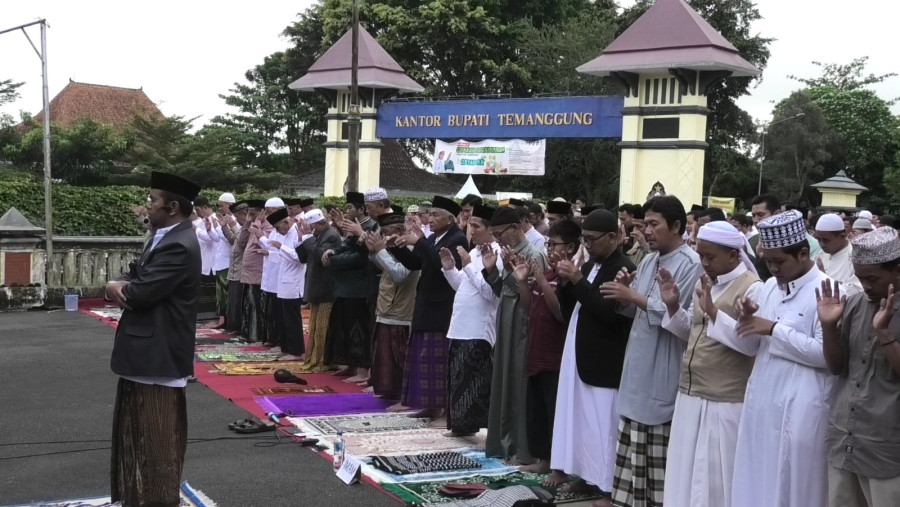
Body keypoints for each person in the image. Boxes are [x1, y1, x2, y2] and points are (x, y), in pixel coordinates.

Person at [707, 210, 831, 507]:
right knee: (757, 479)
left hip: (801, 409)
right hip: (762, 403)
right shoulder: (768, 289)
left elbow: (825, 356)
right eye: (768, 261)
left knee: (795, 486)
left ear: (803, 253)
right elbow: (751, 348)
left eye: (779, 261)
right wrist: (745, 320)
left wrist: (775, 329)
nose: (773, 268)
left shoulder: (828, 290)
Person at [599, 195, 703, 507]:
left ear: (677, 226)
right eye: (645, 225)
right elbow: (637, 312)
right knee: (631, 459)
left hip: (664, 367)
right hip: (638, 367)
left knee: (659, 470)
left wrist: (634, 296)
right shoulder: (648, 260)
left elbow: (678, 318)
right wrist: (623, 297)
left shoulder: (690, 264)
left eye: (654, 225)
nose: (647, 231)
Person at [106, 171, 201, 505]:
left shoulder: (179, 243)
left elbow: (142, 292)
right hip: (146, 351)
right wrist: (119, 284)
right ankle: (138, 496)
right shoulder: (163, 235)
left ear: (172, 206)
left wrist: (114, 288)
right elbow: (134, 273)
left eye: (152, 200)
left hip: (157, 352)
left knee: (157, 438)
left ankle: (158, 500)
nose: (147, 206)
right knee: (136, 434)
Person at [659, 221, 762, 507]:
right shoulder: (704, 283)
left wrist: (714, 311)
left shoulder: (753, 289)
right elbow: (691, 332)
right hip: (690, 395)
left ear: (733, 255)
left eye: (710, 256)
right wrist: (671, 306)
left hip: (725, 402)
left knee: (716, 481)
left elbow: (750, 345)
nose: (704, 262)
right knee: (685, 473)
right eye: (700, 255)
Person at [549, 210, 635, 502]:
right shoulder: (590, 265)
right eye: (584, 240)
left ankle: (608, 487)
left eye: (591, 240)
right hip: (579, 352)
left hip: (604, 357)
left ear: (612, 237)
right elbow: (572, 304)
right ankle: (586, 477)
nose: (587, 245)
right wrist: (564, 279)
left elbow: (609, 314)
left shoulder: (622, 267)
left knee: (603, 426)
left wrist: (577, 279)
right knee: (582, 421)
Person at [817, 227, 900, 507]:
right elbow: (838, 367)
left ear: (897, 271)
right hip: (845, 438)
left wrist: (885, 335)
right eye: (860, 277)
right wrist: (828, 327)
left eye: (872, 279)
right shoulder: (855, 303)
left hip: (886, 447)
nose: (865, 285)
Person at [511, 219, 580, 476]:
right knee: (537, 411)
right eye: (548, 244)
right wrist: (522, 282)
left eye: (555, 245)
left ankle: (559, 468)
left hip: (556, 355)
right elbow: (530, 307)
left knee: (555, 413)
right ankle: (543, 459)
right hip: (537, 351)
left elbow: (561, 314)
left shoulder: (569, 276)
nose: (550, 250)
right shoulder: (548, 273)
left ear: (571, 247)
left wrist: (539, 278)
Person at [484, 206, 549, 463]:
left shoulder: (534, 254)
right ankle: (504, 443)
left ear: (516, 227)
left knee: (519, 384)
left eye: (500, 233)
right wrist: (491, 271)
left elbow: (533, 298)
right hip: (506, 320)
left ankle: (522, 449)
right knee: (503, 380)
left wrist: (511, 272)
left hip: (523, 323)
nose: (498, 240)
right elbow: (503, 291)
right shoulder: (507, 253)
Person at [395, 195, 469, 419]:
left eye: (436, 214)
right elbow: (416, 263)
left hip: (441, 308)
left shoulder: (457, 239)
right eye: (431, 214)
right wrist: (392, 248)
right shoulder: (436, 238)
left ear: (450, 218)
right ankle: (430, 405)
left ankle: (444, 409)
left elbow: (442, 267)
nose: (431, 219)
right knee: (423, 357)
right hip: (426, 304)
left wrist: (419, 242)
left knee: (437, 360)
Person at [441, 204, 502, 436]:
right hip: (460, 325)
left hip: (478, 329)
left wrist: (467, 266)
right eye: (470, 225)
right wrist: (450, 270)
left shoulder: (495, 254)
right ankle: (460, 426)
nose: (470, 229)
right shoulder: (474, 252)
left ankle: (473, 424)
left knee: (473, 380)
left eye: (476, 226)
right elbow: (463, 288)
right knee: (458, 377)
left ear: (491, 229)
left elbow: (489, 293)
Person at [366, 212, 421, 401]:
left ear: (399, 231)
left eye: (387, 232)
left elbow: (400, 273)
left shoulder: (412, 248)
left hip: (402, 309)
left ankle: (403, 394)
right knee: (383, 352)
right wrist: (374, 252)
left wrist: (380, 251)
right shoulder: (392, 247)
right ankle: (387, 389)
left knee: (399, 354)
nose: (385, 237)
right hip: (386, 305)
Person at [295, 208, 341, 372]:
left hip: (326, 287)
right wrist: (302, 238)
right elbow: (303, 258)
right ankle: (313, 358)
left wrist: (308, 238)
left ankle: (322, 361)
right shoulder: (318, 235)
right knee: (315, 327)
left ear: (320, 223)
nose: (311, 229)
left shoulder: (332, 235)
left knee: (322, 327)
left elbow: (322, 257)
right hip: (316, 285)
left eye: (312, 226)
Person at [260, 208, 306, 360]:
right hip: (282, 281)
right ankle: (285, 347)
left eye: (278, 227)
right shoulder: (284, 234)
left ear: (286, 222)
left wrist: (280, 247)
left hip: (293, 283)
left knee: (292, 320)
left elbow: (299, 257)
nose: (277, 231)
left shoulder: (297, 233)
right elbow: (280, 256)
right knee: (282, 318)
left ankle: (296, 351)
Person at [256, 198, 286, 349]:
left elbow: (284, 252)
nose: (268, 215)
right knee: (269, 309)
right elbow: (270, 247)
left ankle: (279, 341)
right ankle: (271, 338)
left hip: (281, 275)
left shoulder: (286, 228)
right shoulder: (275, 230)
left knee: (279, 312)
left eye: (270, 212)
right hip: (270, 273)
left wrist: (260, 236)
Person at [814, 213, 863, 297]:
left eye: (826, 240)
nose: (821, 244)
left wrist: (824, 279)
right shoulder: (820, 255)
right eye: (818, 239)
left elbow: (856, 290)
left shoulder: (857, 257)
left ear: (842, 236)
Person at [239, 201, 268, 343]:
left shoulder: (267, 225)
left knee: (258, 305)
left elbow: (264, 244)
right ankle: (248, 333)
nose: (249, 215)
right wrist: (247, 223)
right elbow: (241, 242)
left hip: (259, 272)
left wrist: (258, 225)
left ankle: (258, 335)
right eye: (248, 212)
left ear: (261, 212)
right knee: (249, 304)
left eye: (252, 213)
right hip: (248, 273)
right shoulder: (251, 223)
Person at [223, 200, 251, 333]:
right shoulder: (241, 228)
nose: (236, 219)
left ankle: (239, 327)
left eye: (237, 216)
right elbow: (233, 240)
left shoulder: (248, 228)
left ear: (245, 214)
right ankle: (233, 326)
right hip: (234, 269)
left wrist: (233, 226)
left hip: (242, 270)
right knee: (233, 301)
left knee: (239, 301)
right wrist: (224, 227)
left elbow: (241, 244)